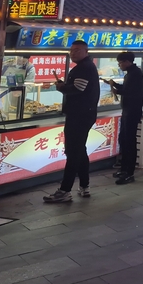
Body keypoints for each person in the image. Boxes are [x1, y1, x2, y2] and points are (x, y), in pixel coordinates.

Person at [44, 40, 100, 203]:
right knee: (80, 150)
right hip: (84, 114)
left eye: (77, 50)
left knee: (73, 151)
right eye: (71, 50)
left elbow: (78, 89)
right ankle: (84, 185)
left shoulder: (84, 68)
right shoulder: (86, 67)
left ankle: (64, 190)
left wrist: (62, 87)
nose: (73, 53)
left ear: (85, 51)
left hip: (79, 115)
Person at [106, 51, 143, 185]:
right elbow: (127, 88)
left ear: (127, 61)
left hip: (133, 112)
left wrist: (118, 91)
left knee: (130, 141)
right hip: (127, 111)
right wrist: (115, 85)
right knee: (123, 139)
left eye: (120, 63)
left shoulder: (136, 74)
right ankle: (123, 169)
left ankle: (129, 173)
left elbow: (131, 92)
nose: (120, 65)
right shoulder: (130, 74)